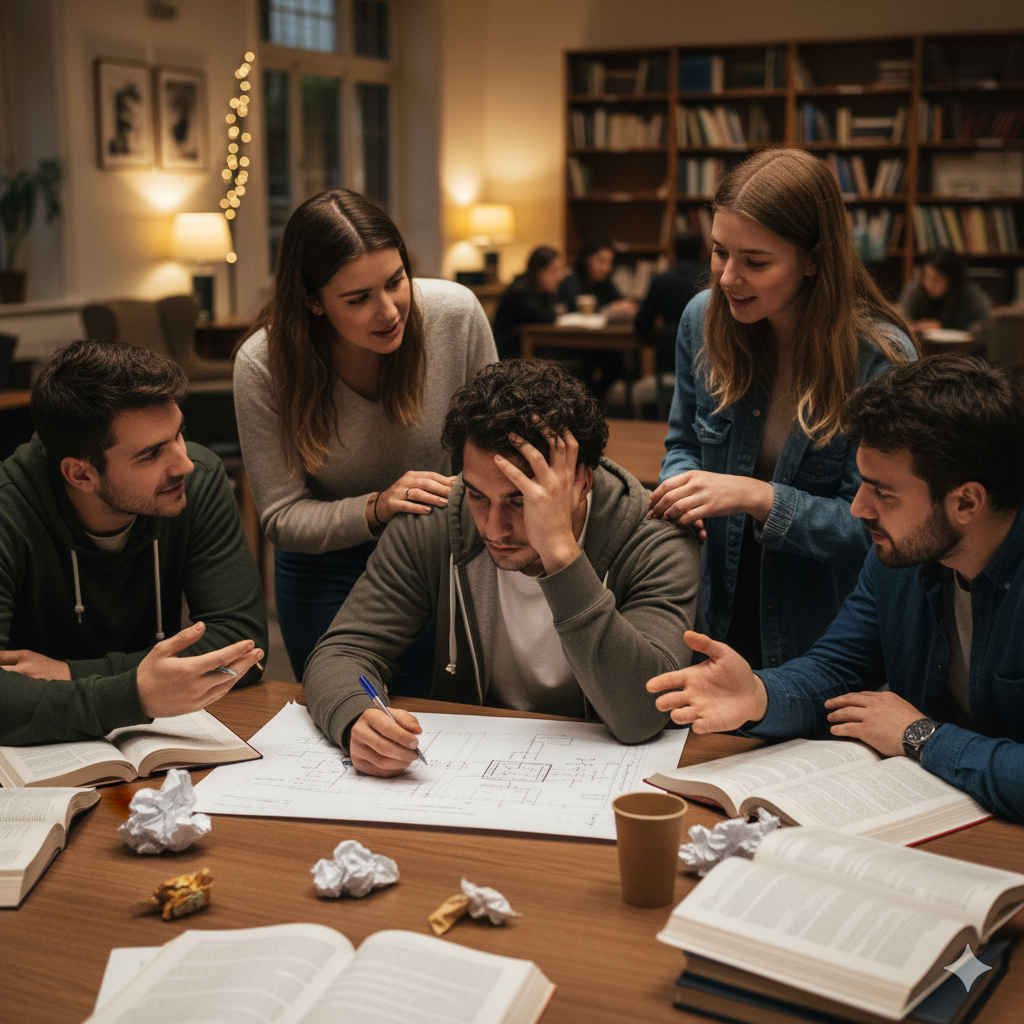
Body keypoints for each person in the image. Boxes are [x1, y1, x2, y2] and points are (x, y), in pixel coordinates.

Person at [647, 355, 1024, 824]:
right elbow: (836, 669)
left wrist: (921, 736)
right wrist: (758, 695)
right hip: (927, 816)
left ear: (966, 501)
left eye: (882, 492)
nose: (857, 509)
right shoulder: (899, 557)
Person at [302, 358, 701, 777]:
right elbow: (342, 652)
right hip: (471, 775)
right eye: (477, 495)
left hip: (602, 784)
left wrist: (562, 554)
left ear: (582, 480)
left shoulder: (656, 540)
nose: (493, 528)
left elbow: (641, 715)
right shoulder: (437, 521)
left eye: (519, 500)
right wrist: (355, 718)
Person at [649, 148, 917, 670]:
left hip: (820, 626)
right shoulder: (702, 320)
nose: (727, 278)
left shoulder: (880, 359)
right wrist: (684, 490)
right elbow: (683, 443)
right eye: (719, 252)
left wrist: (758, 497)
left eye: (755, 262)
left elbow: (879, 529)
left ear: (813, 259)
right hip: (715, 602)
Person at [234, 189, 497, 685]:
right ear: (312, 302)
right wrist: (379, 506)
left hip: (441, 551)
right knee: (345, 719)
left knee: (447, 716)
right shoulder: (263, 364)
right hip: (326, 569)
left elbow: (495, 449)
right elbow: (282, 517)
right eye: (358, 299)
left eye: (396, 281)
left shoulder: (454, 314)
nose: (390, 311)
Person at [0, 340, 267, 746]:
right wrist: (134, 693)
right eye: (151, 454)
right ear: (81, 475)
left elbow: (242, 646)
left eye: (178, 434)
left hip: (156, 742)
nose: (184, 463)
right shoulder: (9, 508)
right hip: (37, 759)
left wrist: (73, 675)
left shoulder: (198, 482)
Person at [631, 232, 707, 417]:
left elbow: (641, 323)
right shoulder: (711, 279)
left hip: (668, 368)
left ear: (673, 252)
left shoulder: (662, 280)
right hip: (708, 368)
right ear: (704, 252)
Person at [491, 245, 566, 360]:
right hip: (510, 357)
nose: (559, 277)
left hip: (531, 349)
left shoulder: (542, 290)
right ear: (538, 271)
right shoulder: (520, 291)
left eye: (560, 270)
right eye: (554, 270)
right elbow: (547, 317)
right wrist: (555, 310)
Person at [898, 248, 993, 334]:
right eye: (925, 277)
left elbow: (986, 324)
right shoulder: (917, 287)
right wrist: (911, 326)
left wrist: (943, 327)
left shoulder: (968, 293)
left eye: (937, 280)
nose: (929, 284)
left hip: (962, 349)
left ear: (951, 280)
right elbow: (901, 315)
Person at [556, 237, 636, 317]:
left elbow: (621, 302)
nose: (606, 268)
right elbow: (576, 308)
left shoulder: (604, 282)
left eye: (610, 262)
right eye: (601, 261)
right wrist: (608, 309)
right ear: (586, 260)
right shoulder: (570, 282)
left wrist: (624, 306)